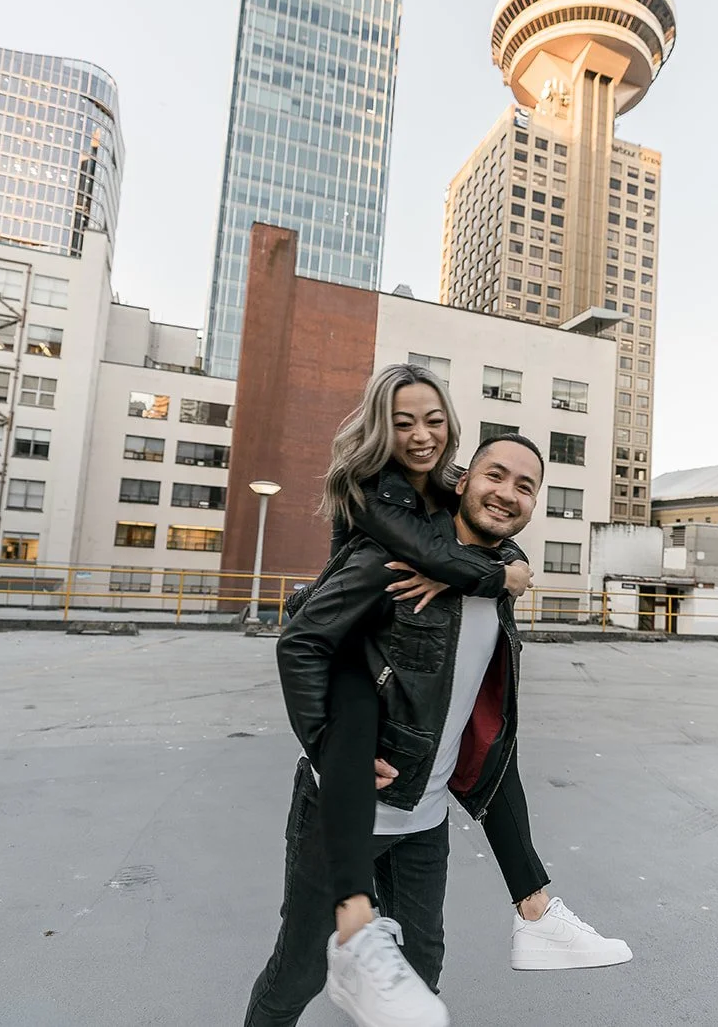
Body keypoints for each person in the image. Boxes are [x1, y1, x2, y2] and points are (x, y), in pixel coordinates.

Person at [243, 427, 631, 1027]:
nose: (507, 493)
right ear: (464, 480)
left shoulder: (499, 578)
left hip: (423, 821)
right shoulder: (392, 560)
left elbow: (477, 709)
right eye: (495, 475)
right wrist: (326, 743)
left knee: (420, 980)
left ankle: (537, 911)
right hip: (343, 809)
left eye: (525, 487)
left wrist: (484, 572)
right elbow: (303, 636)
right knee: (299, 973)